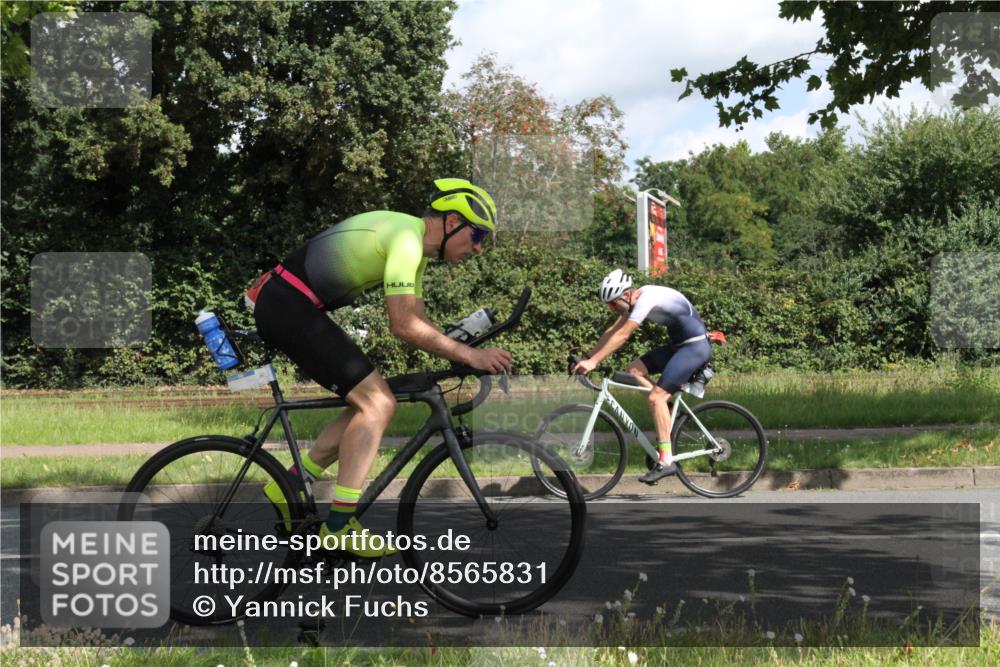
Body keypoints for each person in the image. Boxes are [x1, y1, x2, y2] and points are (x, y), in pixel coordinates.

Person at [245, 178, 512, 557]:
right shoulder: (406, 238)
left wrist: (461, 352)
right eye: (477, 235)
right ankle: (338, 527)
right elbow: (402, 324)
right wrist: (470, 356)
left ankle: (290, 482)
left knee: (370, 400)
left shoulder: (415, 249)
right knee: (378, 403)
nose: (479, 248)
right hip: (287, 306)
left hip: (291, 305)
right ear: (452, 221)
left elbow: (418, 321)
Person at [570, 269, 713, 484]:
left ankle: (666, 461)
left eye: (612, 303)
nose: (612, 308)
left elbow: (623, 335)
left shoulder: (648, 298)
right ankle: (669, 410)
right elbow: (612, 331)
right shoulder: (633, 302)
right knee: (635, 369)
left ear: (626, 295)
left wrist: (594, 362)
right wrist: (587, 357)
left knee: (656, 398)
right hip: (680, 347)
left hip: (694, 348)